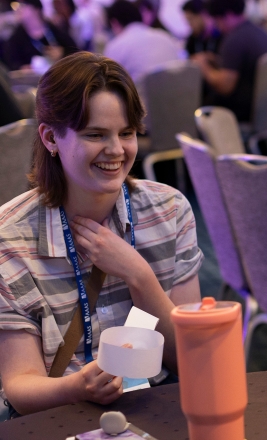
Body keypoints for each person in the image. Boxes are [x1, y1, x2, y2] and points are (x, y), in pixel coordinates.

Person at [0, 52, 203, 420]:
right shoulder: (10, 239)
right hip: (61, 415)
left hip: (157, 408)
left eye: (127, 133)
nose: (116, 150)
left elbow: (194, 361)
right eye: (95, 135)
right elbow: (20, 386)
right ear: (50, 137)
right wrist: (78, 386)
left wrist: (139, 275)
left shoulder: (169, 210)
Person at [195, 0, 267, 121]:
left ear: (228, 15)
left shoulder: (234, 39)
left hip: (241, 111)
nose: (218, 26)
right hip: (264, 105)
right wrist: (217, 60)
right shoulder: (260, 31)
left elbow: (225, 87)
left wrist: (203, 67)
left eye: (218, 20)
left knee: (196, 103)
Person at [104, 0, 183, 84]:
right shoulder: (166, 37)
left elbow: (109, 83)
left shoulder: (116, 46)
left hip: (142, 92)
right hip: (177, 90)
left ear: (114, 22)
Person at [3, 0, 78, 71]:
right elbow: (11, 64)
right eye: (16, 5)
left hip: (58, 75)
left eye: (22, 5)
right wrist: (22, 68)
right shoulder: (15, 38)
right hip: (31, 79)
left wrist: (63, 53)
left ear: (36, 9)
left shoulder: (55, 30)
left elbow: (76, 53)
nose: (18, 9)